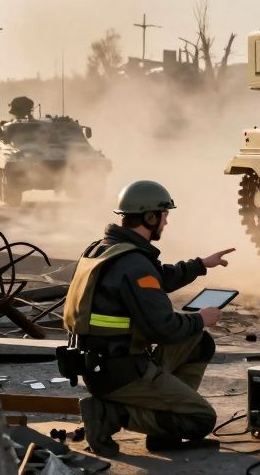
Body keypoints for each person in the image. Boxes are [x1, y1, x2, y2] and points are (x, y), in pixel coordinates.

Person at [62, 180, 235, 457]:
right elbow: (164, 328)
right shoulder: (133, 263)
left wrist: (200, 265)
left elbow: (157, 278)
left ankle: (164, 431)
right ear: (150, 217)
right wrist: (201, 318)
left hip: (100, 364)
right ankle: (109, 414)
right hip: (122, 371)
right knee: (201, 419)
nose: (166, 222)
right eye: (164, 215)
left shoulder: (105, 249)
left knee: (198, 342)